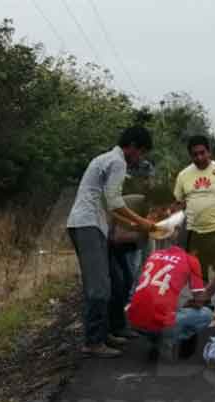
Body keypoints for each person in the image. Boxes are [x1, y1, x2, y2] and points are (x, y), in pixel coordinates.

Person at [66, 127, 157, 358]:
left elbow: (108, 204)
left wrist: (135, 225)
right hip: (87, 225)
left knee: (118, 279)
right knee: (99, 288)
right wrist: (142, 222)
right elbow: (115, 202)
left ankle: (111, 329)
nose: (141, 158)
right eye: (142, 152)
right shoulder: (117, 162)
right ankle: (93, 341)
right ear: (133, 146)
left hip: (95, 224)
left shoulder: (107, 159)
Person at [172, 135, 215, 282]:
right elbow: (177, 203)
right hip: (194, 233)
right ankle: (204, 303)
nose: (199, 157)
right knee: (198, 273)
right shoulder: (183, 175)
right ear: (190, 155)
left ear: (209, 152)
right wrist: (175, 227)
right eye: (195, 154)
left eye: (202, 152)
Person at [126, 244, 212, 359]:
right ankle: (166, 341)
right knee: (207, 314)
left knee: (167, 308)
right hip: (159, 323)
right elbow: (200, 300)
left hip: (133, 320)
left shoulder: (155, 254)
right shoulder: (191, 260)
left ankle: (155, 340)